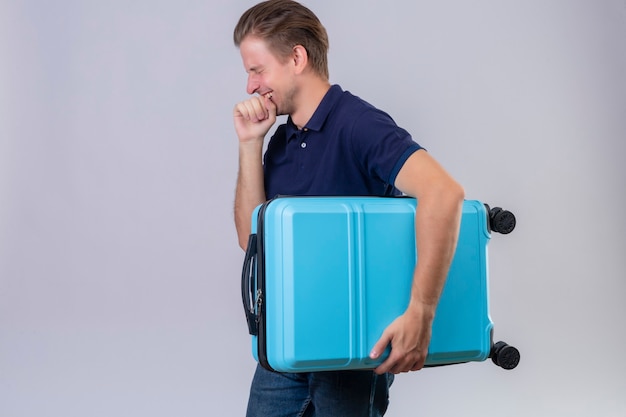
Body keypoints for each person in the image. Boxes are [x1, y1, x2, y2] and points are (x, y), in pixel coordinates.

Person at [232, 1, 464, 415]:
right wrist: (251, 144)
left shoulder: (359, 124)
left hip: (351, 351)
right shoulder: (283, 141)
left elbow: (443, 193)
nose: (251, 86)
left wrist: (422, 312)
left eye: (257, 69)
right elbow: (251, 241)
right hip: (284, 346)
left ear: (297, 57)